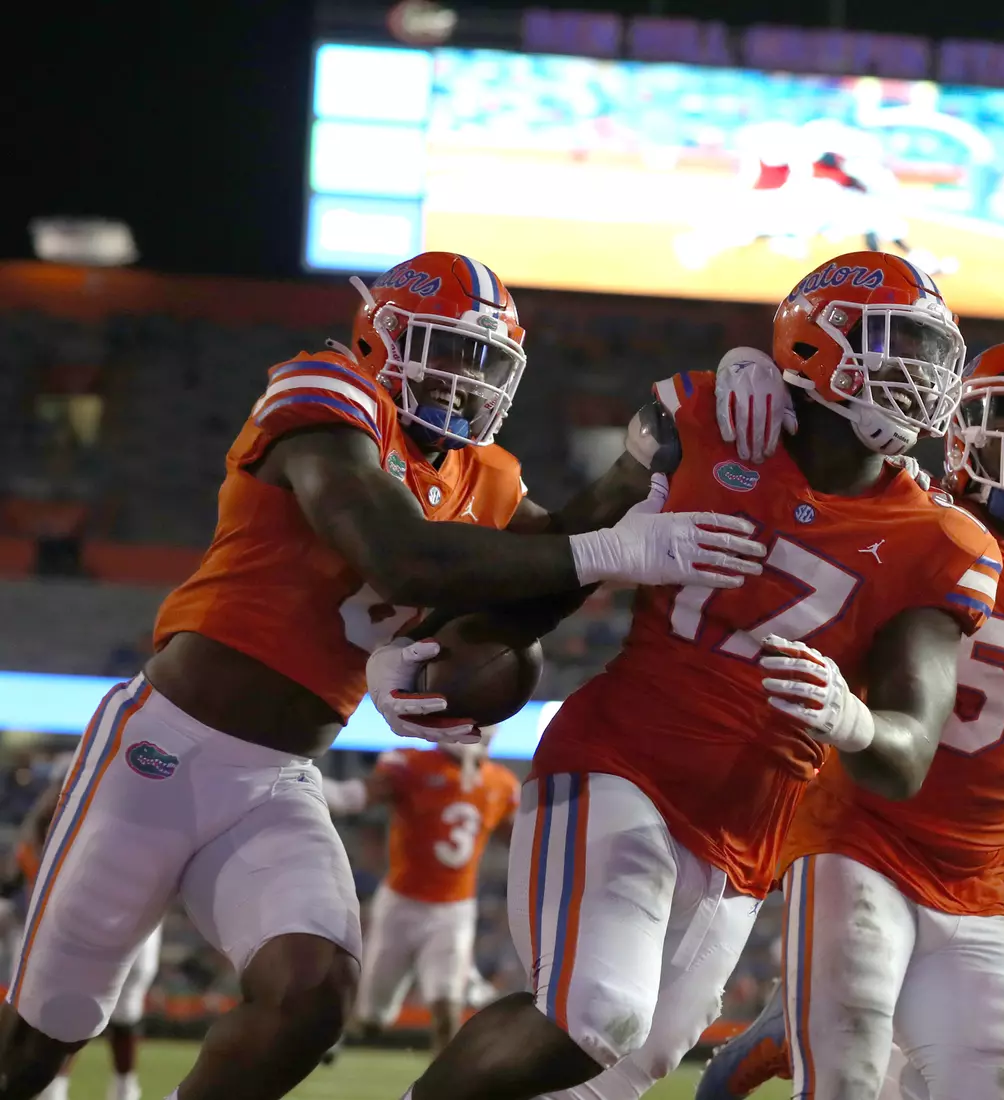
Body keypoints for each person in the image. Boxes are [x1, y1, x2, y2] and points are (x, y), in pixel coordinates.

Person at [0, 251, 765, 1100]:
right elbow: (400, 556)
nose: (465, 381)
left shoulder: (487, 475)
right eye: (443, 350)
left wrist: (639, 467)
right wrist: (612, 549)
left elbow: (538, 578)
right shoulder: (325, 398)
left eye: (483, 362)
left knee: (313, 992)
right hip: (160, 752)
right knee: (41, 1037)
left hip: (277, 777)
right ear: (380, 337)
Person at [398, 250, 1003, 1100]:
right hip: (622, 763)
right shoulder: (702, 421)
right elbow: (558, 563)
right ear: (812, 346)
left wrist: (852, 719)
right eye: (894, 343)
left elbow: (906, 754)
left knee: (612, 1077)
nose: (919, 375)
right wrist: (446, 646)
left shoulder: (940, 541)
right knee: (594, 1014)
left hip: (749, 834)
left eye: (930, 352)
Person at [698, 338, 1004, 1100]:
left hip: (976, 884)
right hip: (853, 835)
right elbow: (794, 488)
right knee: (846, 1071)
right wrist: (755, 387)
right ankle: (783, 1035)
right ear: (960, 423)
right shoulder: (901, 516)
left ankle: (783, 1029)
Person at [322, 732, 520, 1054]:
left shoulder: (502, 784)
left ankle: (446, 1088)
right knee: (373, 1018)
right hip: (401, 904)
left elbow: (522, 841)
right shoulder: (413, 764)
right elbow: (353, 797)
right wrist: (298, 779)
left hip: (454, 910)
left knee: (446, 1008)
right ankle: (333, 1035)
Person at [9, 776, 162, 1100]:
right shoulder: (80, 784)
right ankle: (57, 1089)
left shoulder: (154, 797)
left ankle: (123, 1088)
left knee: (124, 1012)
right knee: (67, 1005)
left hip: (134, 913)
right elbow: (41, 826)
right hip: (85, 909)